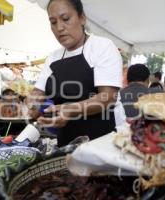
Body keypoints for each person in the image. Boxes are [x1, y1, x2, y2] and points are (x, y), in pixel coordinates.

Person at [28, 0, 122, 146]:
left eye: (66, 19)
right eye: (53, 22)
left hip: (104, 138)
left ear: (82, 18)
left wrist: (69, 110)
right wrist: (32, 107)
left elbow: (108, 97)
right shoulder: (53, 58)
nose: (59, 27)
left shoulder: (101, 47)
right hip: (67, 141)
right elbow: (37, 93)